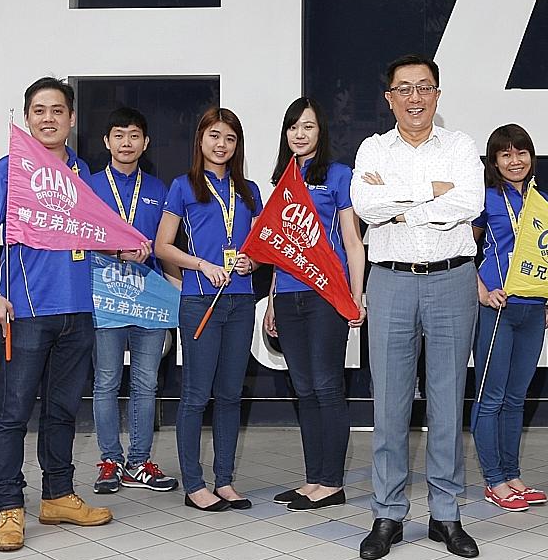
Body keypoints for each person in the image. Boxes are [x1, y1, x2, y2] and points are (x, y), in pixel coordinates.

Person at [0, 77, 113, 552]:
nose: (48, 118)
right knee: (12, 415)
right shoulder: (10, 170)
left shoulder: (82, 172)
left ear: (72, 120)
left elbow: (92, 230)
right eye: (38, 110)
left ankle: (58, 495)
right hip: (24, 313)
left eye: (57, 110)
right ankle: (9, 508)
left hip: (77, 312)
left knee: (62, 412)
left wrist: (125, 245)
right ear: (27, 118)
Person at [351, 54, 484, 560]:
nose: (414, 97)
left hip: (452, 279)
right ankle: (387, 513)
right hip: (390, 282)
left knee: (448, 402)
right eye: (403, 89)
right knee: (389, 403)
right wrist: (432, 197)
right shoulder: (372, 148)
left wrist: (401, 204)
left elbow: (469, 203)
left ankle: (446, 515)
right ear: (389, 98)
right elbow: (367, 206)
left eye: (423, 88)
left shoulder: (461, 145)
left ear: (437, 95)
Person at [155, 107, 263, 512]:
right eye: (215, 136)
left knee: (231, 395)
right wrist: (201, 264)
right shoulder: (184, 186)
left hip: (240, 299)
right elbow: (162, 246)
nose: (222, 145)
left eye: (230, 138)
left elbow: (257, 247)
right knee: (195, 396)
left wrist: (252, 261)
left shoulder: (249, 190)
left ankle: (226, 480)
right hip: (200, 298)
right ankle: (195, 484)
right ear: (200, 140)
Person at [264, 98, 366, 511]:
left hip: (326, 294)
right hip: (287, 296)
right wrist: (271, 300)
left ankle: (332, 482)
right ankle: (313, 480)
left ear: (320, 131)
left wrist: (356, 297)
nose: (299, 134)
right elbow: (278, 248)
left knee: (327, 387)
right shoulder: (283, 180)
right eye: (293, 127)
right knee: (303, 390)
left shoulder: (339, 176)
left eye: (307, 127)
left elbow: (353, 242)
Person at [86, 106, 178, 495]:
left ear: (146, 143)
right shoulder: (88, 186)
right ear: (107, 142)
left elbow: (167, 246)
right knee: (106, 382)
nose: (127, 142)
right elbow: (81, 236)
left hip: (149, 299)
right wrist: (119, 252)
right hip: (104, 296)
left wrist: (175, 298)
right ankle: (110, 460)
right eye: (119, 135)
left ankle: (139, 462)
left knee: (145, 382)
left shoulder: (160, 189)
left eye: (134, 135)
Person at [473, 124, 548, 512]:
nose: (515, 160)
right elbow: (461, 249)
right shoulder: (484, 198)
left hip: (533, 308)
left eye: (521, 153)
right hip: (497, 308)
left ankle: (512, 473)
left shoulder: (541, 199)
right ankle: (493, 480)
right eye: (505, 154)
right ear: (494, 160)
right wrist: (482, 292)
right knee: (492, 397)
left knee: (516, 398)